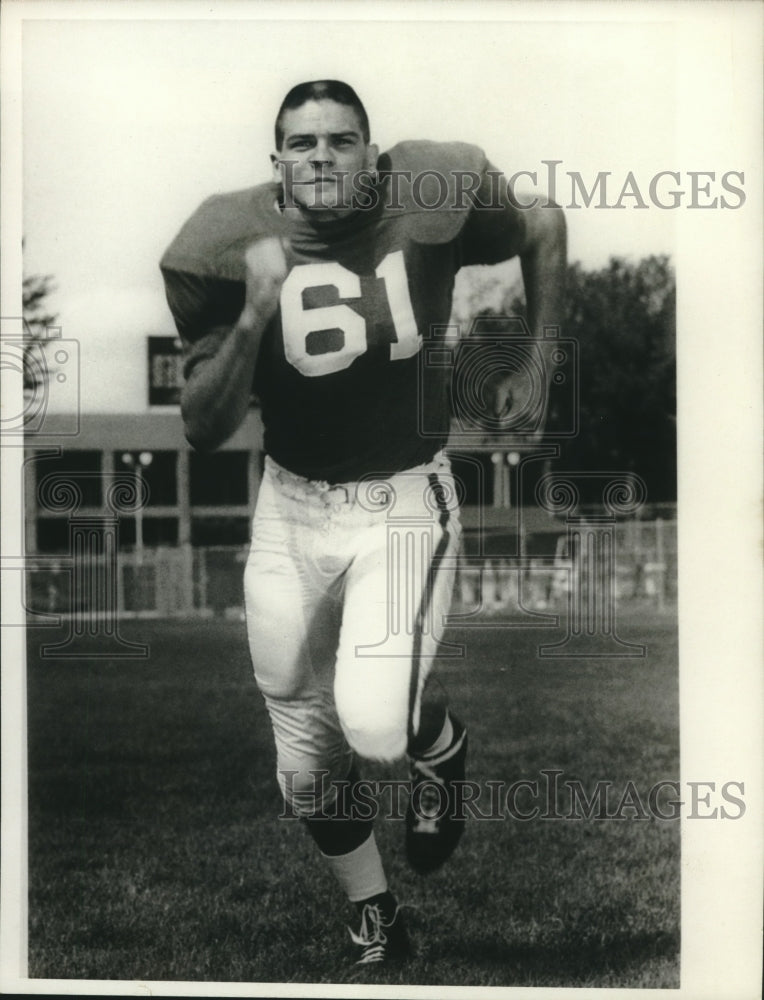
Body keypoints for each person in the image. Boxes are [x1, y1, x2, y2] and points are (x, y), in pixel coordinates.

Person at [160, 79, 566, 968]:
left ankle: (436, 742)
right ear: (276, 162)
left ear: (373, 156)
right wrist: (257, 309)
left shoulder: (433, 186)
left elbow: (541, 222)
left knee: (374, 725)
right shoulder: (222, 243)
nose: (321, 158)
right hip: (292, 503)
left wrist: (538, 361)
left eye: (341, 141)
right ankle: (375, 909)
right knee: (303, 765)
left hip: (403, 495)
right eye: (302, 144)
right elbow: (200, 422)